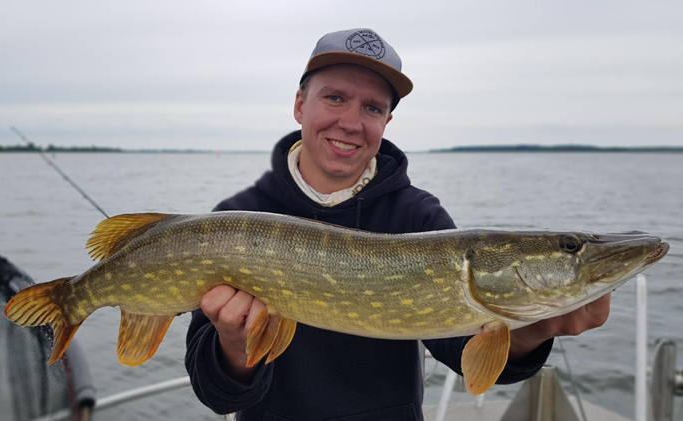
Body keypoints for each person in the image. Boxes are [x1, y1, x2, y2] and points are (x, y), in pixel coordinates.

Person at [185, 28, 611, 420]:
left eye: (372, 107)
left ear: (386, 122)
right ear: (300, 105)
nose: (350, 122)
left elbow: (462, 348)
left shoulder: (417, 217)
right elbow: (216, 394)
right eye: (334, 98)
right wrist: (234, 348)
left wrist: (532, 332)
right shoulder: (234, 219)